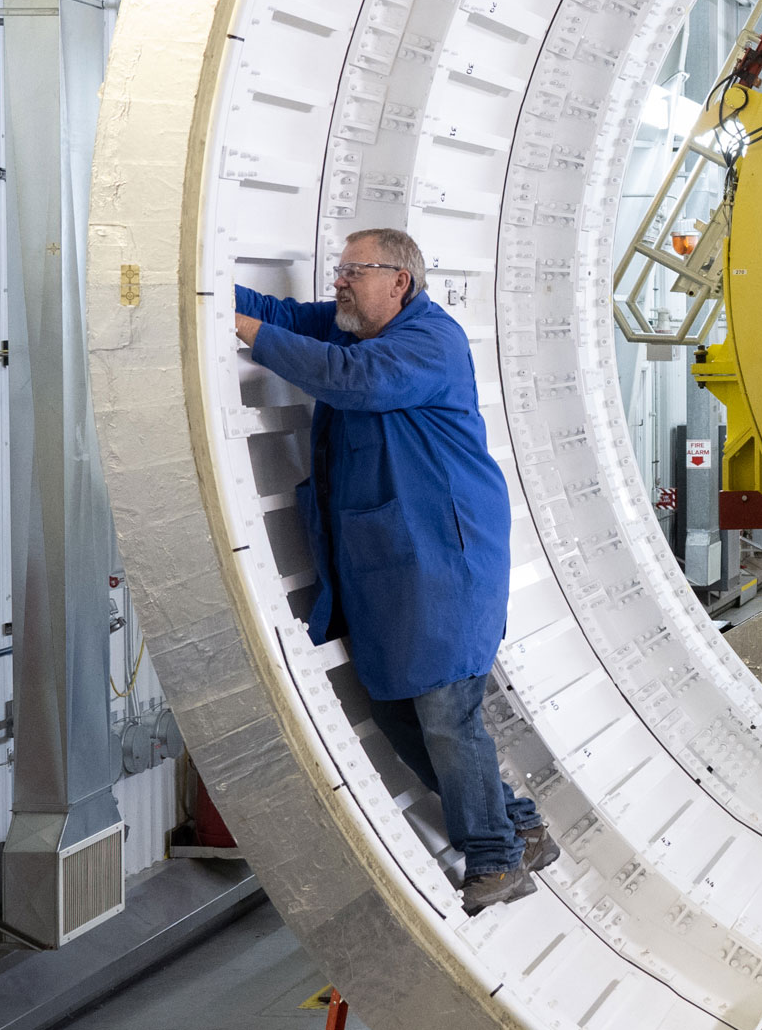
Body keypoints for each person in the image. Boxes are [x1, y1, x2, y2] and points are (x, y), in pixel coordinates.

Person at [235, 227, 554, 914]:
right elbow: (285, 320)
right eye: (339, 271)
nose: (338, 283)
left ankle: (497, 859)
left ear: (398, 281)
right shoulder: (358, 325)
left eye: (353, 272)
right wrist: (206, 298)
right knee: (391, 700)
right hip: (399, 561)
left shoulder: (428, 341)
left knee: (445, 709)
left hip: (447, 555)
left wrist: (245, 330)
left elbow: (353, 381)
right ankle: (520, 824)